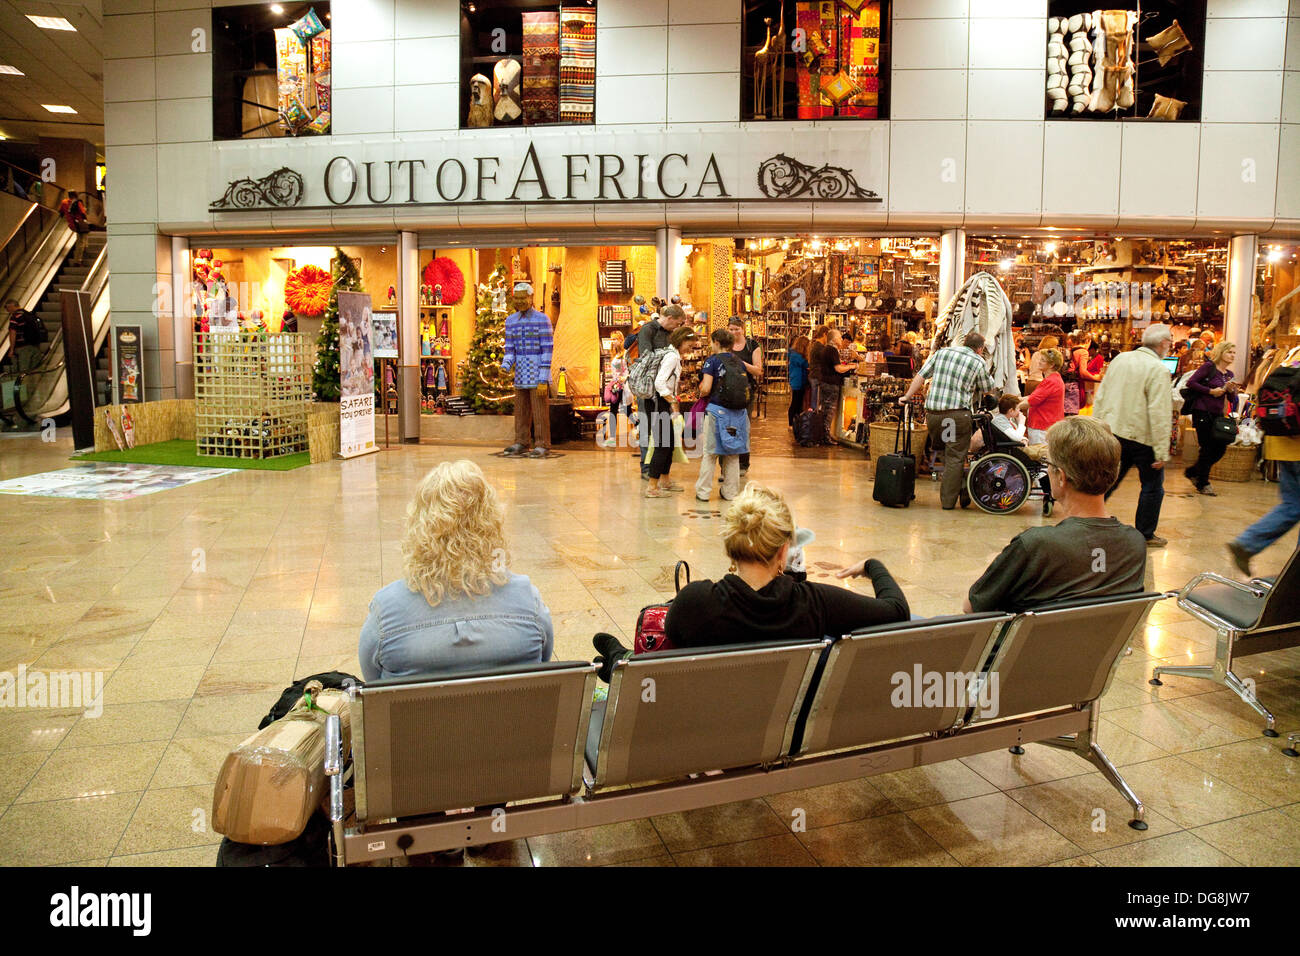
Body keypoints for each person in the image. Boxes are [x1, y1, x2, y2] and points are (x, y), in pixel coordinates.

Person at [593, 485, 907, 667]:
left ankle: (619, 660)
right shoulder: (818, 603)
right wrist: (871, 565)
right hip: (781, 736)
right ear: (784, 550)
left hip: (704, 733)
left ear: (731, 546)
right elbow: (897, 611)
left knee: (632, 660)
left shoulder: (695, 603)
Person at [359, 460, 553, 681]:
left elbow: (373, 683)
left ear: (420, 525)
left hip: (420, 715)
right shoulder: (528, 601)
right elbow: (542, 663)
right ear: (491, 522)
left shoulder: (386, 611)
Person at [964, 417, 1146, 613]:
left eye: (1047, 463)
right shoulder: (1135, 544)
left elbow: (971, 607)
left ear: (1061, 476)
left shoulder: (1035, 545)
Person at [1092, 324, 1175, 548]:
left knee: (1108, 480)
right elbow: (1159, 411)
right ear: (1163, 343)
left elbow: (1102, 394)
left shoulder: (1121, 359)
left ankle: (1085, 519)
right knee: (1152, 486)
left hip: (1114, 430)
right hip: (1142, 438)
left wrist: (1097, 425)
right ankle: (1146, 533)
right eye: (1170, 341)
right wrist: (1161, 450)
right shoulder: (1158, 369)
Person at [899, 330, 995, 510]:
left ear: (964, 342)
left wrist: (907, 396)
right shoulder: (977, 361)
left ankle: (961, 485)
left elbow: (921, 375)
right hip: (956, 415)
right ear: (980, 349)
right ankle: (950, 501)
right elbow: (988, 387)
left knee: (943, 451)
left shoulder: (942, 352)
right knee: (955, 457)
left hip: (934, 415)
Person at [695, 328, 748, 502]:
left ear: (716, 342)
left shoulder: (712, 361)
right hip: (738, 413)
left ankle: (703, 492)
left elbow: (706, 388)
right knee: (732, 453)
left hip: (717, 412)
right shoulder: (738, 361)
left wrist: (700, 391)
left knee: (710, 452)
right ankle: (730, 492)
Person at [645, 325, 698, 498]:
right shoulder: (671, 357)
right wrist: (673, 401)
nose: (689, 350)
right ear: (681, 341)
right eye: (689, 346)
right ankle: (652, 486)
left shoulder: (672, 355)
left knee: (668, 444)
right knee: (663, 444)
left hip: (660, 402)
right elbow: (660, 383)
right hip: (659, 403)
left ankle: (665, 481)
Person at [633, 305, 685, 477]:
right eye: (676, 324)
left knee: (662, 430)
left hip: (662, 389)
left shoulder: (669, 334)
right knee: (647, 427)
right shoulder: (648, 330)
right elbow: (645, 356)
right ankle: (646, 468)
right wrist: (667, 357)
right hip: (648, 388)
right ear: (669, 318)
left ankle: (659, 469)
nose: (676, 328)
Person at [1182, 340, 1239, 496]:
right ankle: (1203, 483)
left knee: (1220, 447)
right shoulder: (1209, 367)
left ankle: (1193, 471)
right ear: (1221, 352)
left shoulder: (1229, 375)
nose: (1232, 355)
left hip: (1217, 414)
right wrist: (1210, 391)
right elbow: (1191, 382)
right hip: (1202, 411)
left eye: (1234, 353)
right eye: (1230, 352)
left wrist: (1231, 390)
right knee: (1207, 447)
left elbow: (1232, 399)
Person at [728, 316, 762, 474]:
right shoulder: (725, 344)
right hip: (726, 392)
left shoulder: (752, 345)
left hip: (745, 392)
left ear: (743, 329)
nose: (734, 332)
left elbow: (758, 370)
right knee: (728, 427)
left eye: (737, 329)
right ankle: (728, 464)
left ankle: (743, 462)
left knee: (743, 427)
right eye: (731, 329)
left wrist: (741, 363)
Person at [817, 327, 857, 446]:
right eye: (839, 337)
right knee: (829, 411)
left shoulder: (826, 349)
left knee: (825, 410)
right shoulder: (832, 350)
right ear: (834, 340)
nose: (841, 339)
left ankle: (823, 435)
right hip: (831, 384)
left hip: (824, 382)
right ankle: (826, 437)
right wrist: (851, 367)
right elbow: (838, 368)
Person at [1022, 347, 1065, 444]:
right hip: (1047, 425)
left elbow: (1031, 401)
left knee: (1040, 456)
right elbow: (1035, 397)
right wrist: (1018, 399)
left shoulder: (1050, 381)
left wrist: (1011, 406)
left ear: (1052, 365)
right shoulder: (1054, 378)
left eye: (1043, 360)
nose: (1039, 362)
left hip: (1042, 427)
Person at [4, 299, 45, 373]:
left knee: (22, 371)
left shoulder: (15, 317)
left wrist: (11, 349)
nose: (8, 311)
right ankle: (34, 384)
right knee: (34, 371)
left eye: (7, 308)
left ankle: (21, 384)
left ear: (11, 306)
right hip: (35, 346)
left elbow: (13, 333)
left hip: (22, 348)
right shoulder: (30, 315)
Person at [58, 190, 90, 265]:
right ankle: (78, 260)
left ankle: (84, 248)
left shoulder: (64, 202)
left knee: (80, 238)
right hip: (79, 223)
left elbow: (60, 212)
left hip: (71, 225)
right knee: (81, 241)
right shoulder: (77, 202)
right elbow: (83, 213)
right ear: (75, 195)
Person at [787, 334, 811, 428]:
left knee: (798, 402)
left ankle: (795, 422)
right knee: (795, 402)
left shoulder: (794, 354)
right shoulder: (797, 356)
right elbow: (805, 364)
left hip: (797, 381)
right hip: (798, 382)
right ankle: (791, 423)